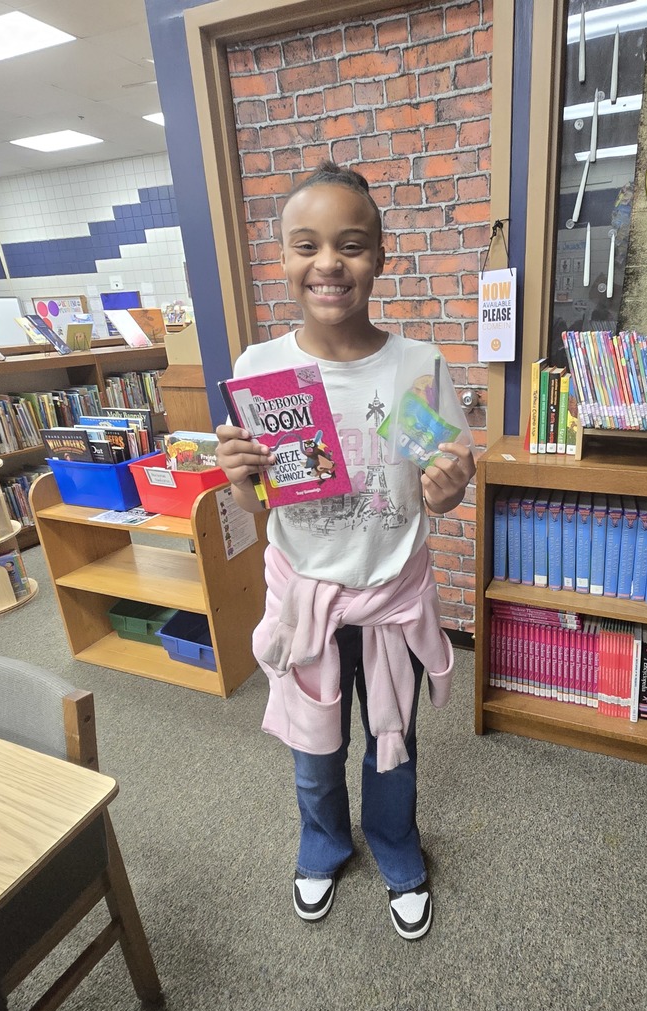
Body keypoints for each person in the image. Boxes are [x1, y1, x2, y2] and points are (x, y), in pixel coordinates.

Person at [215, 161, 475, 940]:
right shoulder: (262, 371)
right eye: (307, 245)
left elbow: (441, 485)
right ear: (285, 259)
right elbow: (253, 503)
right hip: (308, 594)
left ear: (380, 257)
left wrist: (449, 488)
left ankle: (398, 849)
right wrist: (237, 480)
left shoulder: (412, 366)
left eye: (350, 245)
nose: (328, 262)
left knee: (392, 742)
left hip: (391, 593)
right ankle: (323, 845)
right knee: (313, 746)